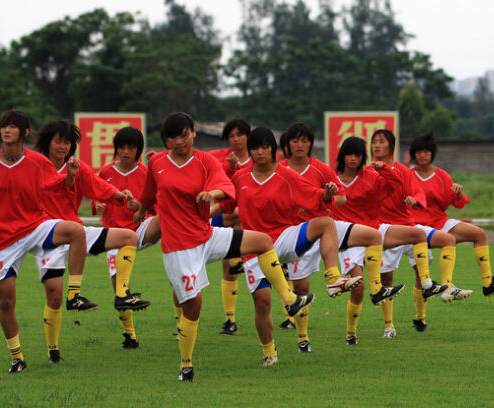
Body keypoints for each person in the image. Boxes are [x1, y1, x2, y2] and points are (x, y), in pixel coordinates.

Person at [133, 113, 313, 381]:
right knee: (193, 306)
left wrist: (211, 194)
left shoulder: (205, 161)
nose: (179, 141)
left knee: (263, 241)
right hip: (179, 246)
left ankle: (289, 298)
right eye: (172, 137)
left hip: (207, 235)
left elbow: (225, 186)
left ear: (194, 133)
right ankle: (186, 366)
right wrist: (139, 211)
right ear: (166, 140)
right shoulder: (158, 162)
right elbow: (148, 195)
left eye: (184, 134)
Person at [0, 109, 89, 372]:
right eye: (4, 126)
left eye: (12, 126)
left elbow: (61, 185)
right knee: (6, 301)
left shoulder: (36, 161)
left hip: (34, 226)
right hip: (3, 241)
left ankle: (74, 294)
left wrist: (73, 175)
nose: (6, 130)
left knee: (77, 231)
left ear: (25, 132)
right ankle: (17, 358)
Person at [219, 127, 362, 353]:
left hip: (284, 237)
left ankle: (333, 278)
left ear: (273, 149)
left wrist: (326, 194)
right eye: (255, 147)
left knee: (326, 223)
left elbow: (314, 197)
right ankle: (269, 353)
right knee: (262, 303)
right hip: (255, 246)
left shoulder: (287, 175)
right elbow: (227, 204)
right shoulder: (240, 177)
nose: (259, 152)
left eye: (265, 147)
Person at [280, 123, 402, 347]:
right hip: (295, 233)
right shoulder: (279, 169)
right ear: (288, 143)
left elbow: (342, 198)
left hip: (329, 227)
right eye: (295, 140)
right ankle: (303, 339)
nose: (300, 145)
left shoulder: (322, 170)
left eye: (304, 140)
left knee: (376, 237)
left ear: (311, 143)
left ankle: (375, 291)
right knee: (302, 290)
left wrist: (328, 195)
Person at [34, 120, 151, 343]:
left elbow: (98, 187)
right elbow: (43, 186)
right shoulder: (36, 167)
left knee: (129, 236)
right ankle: (53, 351)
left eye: (67, 142)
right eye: (58, 141)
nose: (62, 146)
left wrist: (118, 195)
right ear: (48, 143)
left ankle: (118, 294)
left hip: (75, 232)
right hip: (47, 235)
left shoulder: (78, 167)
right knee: (54, 296)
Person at [369, 129, 454, 336]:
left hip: (409, 226)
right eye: (374, 142)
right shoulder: (368, 172)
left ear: (391, 146)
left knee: (425, 265)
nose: (376, 145)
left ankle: (421, 317)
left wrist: (415, 199)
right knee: (386, 279)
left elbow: (418, 192)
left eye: (381, 142)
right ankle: (389, 326)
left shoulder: (403, 171)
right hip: (386, 230)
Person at [409, 132, 494, 298]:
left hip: (439, 223)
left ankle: (488, 284)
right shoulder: (408, 176)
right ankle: (425, 314)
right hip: (417, 228)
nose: (422, 155)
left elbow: (459, 203)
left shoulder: (442, 176)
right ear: (414, 154)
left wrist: (457, 193)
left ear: (432, 154)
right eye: (419, 151)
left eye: (426, 151)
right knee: (420, 280)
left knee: (479, 234)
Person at [92, 126, 162, 348]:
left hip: (138, 230)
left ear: (138, 149)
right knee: (119, 286)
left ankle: (180, 250)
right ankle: (130, 335)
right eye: (121, 147)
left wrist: (140, 206)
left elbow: (154, 207)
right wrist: (98, 205)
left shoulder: (146, 173)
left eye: (130, 147)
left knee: (166, 219)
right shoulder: (105, 172)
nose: (125, 151)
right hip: (113, 235)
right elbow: (95, 199)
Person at [208, 118, 253, 336]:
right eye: (231, 136)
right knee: (227, 267)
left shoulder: (258, 159)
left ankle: (288, 314)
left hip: (249, 218)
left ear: (248, 135)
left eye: (239, 135)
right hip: (224, 213)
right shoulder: (222, 157)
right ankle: (230, 319)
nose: (235, 140)